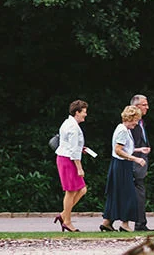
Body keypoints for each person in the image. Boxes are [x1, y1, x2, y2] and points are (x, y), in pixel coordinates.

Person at [100, 104, 147, 231]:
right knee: (129, 195)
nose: (136, 124)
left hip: (119, 165)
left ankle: (107, 222)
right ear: (130, 118)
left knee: (117, 194)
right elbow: (118, 150)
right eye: (136, 120)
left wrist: (138, 150)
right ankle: (124, 224)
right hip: (121, 165)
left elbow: (125, 148)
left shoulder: (123, 129)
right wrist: (135, 158)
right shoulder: (122, 130)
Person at [54, 99, 88, 232]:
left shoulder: (68, 123)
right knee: (71, 191)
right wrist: (79, 168)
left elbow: (71, 145)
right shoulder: (73, 127)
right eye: (84, 112)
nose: (85, 115)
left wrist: (80, 148)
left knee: (82, 189)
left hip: (67, 158)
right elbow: (73, 151)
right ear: (77, 112)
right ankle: (67, 221)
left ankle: (64, 214)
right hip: (68, 160)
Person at [129, 94, 151, 230]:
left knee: (139, 194)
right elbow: (126, 147)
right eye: (144, 105)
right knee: (137, 194)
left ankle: (141, 222)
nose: (147, 107)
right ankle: (140, 223)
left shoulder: (141, 123)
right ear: (136, 107)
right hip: (134, 163)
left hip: (141, 162)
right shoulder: (132, 125)